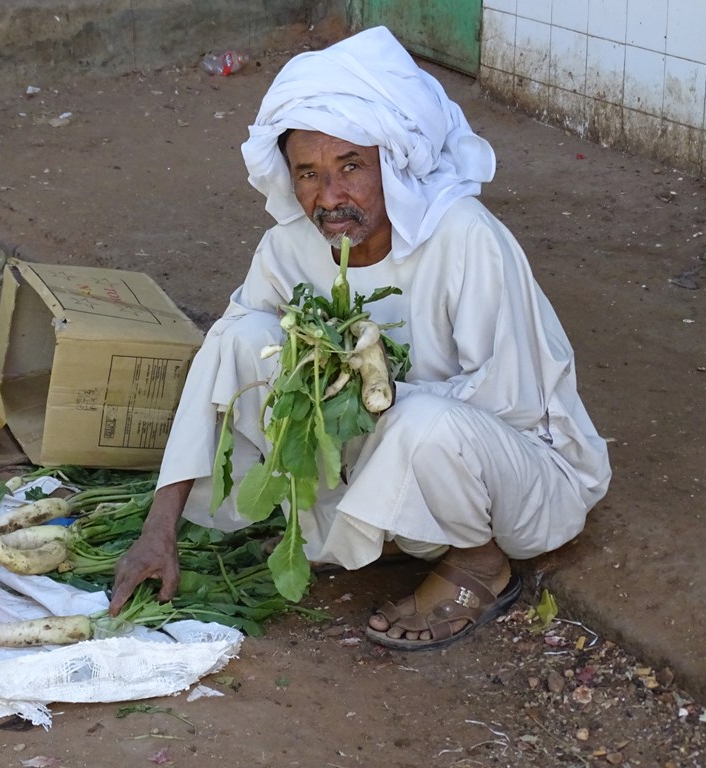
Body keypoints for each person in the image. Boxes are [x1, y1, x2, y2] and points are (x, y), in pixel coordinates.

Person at [109, 26, 612, 650]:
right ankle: (378, 527)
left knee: (422, 422)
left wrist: (370, 388)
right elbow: (225, 366)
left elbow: (513, 399)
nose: (330, 196)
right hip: (376, 458)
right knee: (240, 340)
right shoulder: (289, 246)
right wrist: (160, 527)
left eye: (351, 167)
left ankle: (480, 564)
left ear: (391, 165)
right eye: (308, 174)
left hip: (517, 478)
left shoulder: (463, 237)